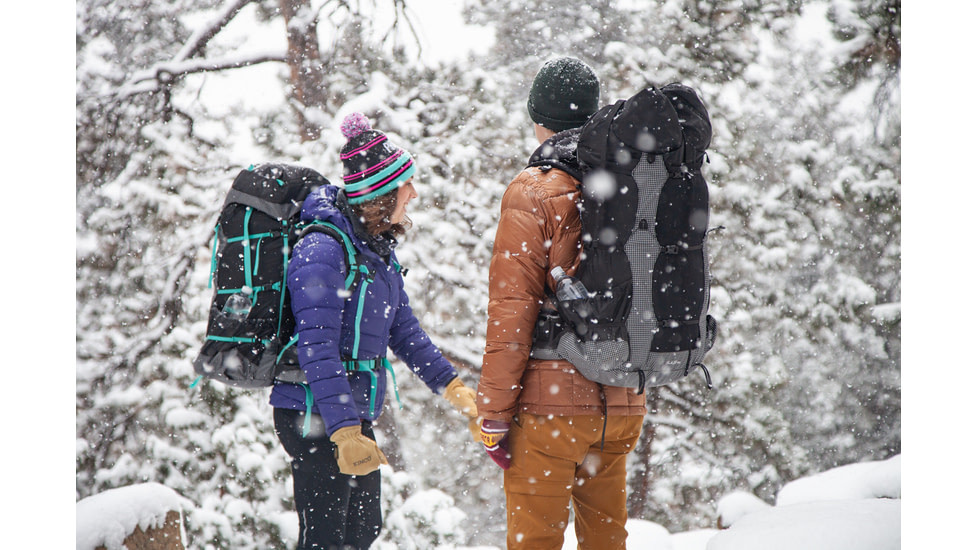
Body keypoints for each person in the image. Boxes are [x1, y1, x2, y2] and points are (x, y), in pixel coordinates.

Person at [271, 112, 480, 550]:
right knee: (326, 539)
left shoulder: (375, 254)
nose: (415, 194)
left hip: (348, 412)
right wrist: (343, 430)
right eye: (407, 186)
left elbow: (405, 332)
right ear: (382, 195)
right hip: (311, 411)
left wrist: (455, 390)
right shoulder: (322, 250)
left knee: (362, 531)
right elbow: (317, 347)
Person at [475, 57, 648, 550]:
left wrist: (493, 413)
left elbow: (512, 311)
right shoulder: (629, 179)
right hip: (623, 400)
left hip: (553, 408)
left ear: (538, 118)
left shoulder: (533, 190)